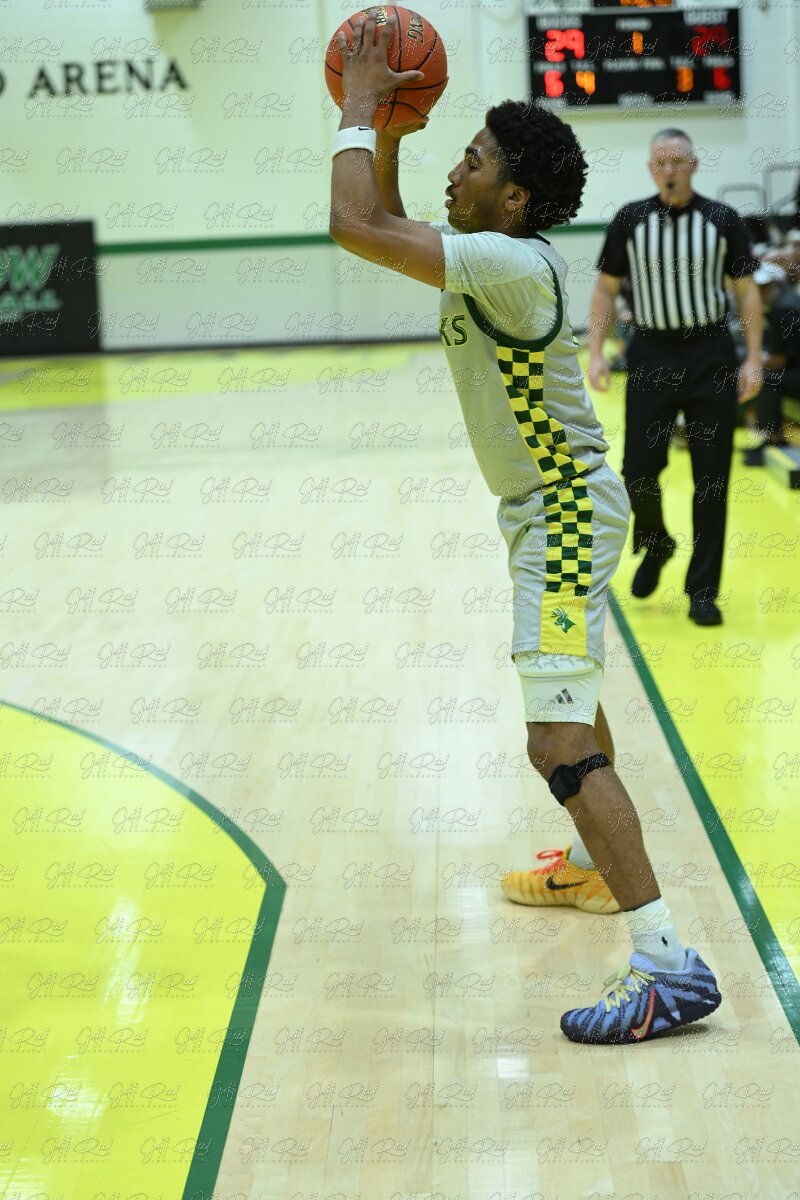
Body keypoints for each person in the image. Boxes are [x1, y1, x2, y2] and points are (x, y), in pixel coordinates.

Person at [328, 12, 721, 1045]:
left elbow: (355, 226)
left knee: (553, 739)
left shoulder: (509, 263)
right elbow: (385, 215)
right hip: (550, 508)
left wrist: (361, 103)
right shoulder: (493, 251)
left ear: (512, 199)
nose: (456, 170)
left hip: (562, 516)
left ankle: (667, 965)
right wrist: (393, 136)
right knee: (571, 705)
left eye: (473, 159)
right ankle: (591, 868)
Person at [588, 129, 763, 627]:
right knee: (638, 472)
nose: (670, 169)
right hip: (651, 353)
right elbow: (605, 289)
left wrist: (753, 357)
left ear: (694, 165)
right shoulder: (630, 220)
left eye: (678, 161)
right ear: (650, 168)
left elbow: (747, 292)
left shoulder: (723, 219)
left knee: (712, 479)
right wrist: (596, 351)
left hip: (710, 354)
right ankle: (657, 541)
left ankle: (702, 591)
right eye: (661, 162)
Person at [742, 261, 800, 465]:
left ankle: (773, 440)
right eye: (759, 287)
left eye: (765, 287)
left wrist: (752, 364)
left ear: (777, 284)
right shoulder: (783, 302)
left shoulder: (785, 309)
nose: (761, 292)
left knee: (768, 380)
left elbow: (778, 360)